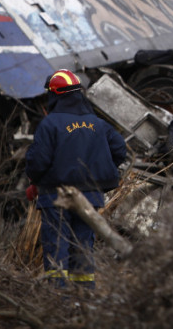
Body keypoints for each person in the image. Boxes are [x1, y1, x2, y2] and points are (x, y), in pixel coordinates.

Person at [25, 69, 127, 289]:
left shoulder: (50, 124)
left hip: (56, 197)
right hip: (90, 197)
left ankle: (58, 298)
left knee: (57, 246)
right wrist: (99, 170)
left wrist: (36, 181)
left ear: (54, 95)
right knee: (82, 247)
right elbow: (120, 150)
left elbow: (37, 162)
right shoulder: (98, 124)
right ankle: (84, 299)